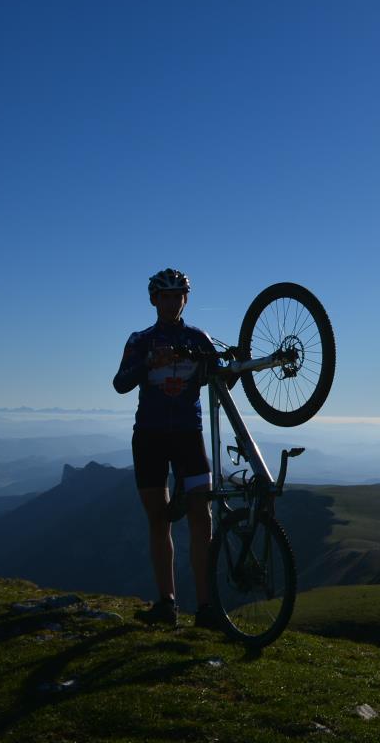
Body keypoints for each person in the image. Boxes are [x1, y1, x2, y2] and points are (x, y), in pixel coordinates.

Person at [113, 268, 221, 629]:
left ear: (185, 300)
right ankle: (167, 604)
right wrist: (146, 364)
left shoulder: (198, 337)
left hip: (190, 436)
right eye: (165, 296)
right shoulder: (140, 340)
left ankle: (206, 607)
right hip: (149, 437)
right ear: (154, 300)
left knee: (201, 521)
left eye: (178, 296)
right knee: (158, 521)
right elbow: (120, 383)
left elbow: (224, 379)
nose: (172, 302)